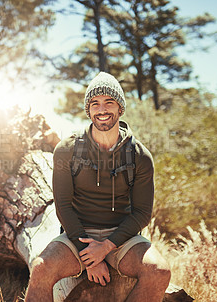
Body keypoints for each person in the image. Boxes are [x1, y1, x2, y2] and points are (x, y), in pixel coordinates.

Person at [24, 72, 171, 301]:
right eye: (95, 103)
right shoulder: (67, 150)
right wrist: (88, 256)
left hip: (123, 238)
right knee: (41, 268)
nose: (102, 109)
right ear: (88, 110)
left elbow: (142, 213)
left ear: (120, 108)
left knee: (159, 271)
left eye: (109, 102)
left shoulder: (140, 156)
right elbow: (63, 205)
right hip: (78, 236)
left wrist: (106, 247)